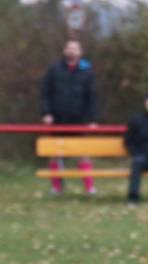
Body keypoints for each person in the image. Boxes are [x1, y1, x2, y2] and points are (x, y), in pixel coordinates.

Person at [40, 40, 98, 195]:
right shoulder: (54, 70)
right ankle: (56, 188)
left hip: (79, 121)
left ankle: (90, 188)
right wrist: (46, 113)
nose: (71, 51)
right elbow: (45, 93)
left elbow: (92, 97)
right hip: (57, 120)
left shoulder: (87, 72)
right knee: (55, 155)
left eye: (75, 48)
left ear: (80, 52)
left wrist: (92, 119)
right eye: (69, 48)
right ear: (64, 51)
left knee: (84, 155)